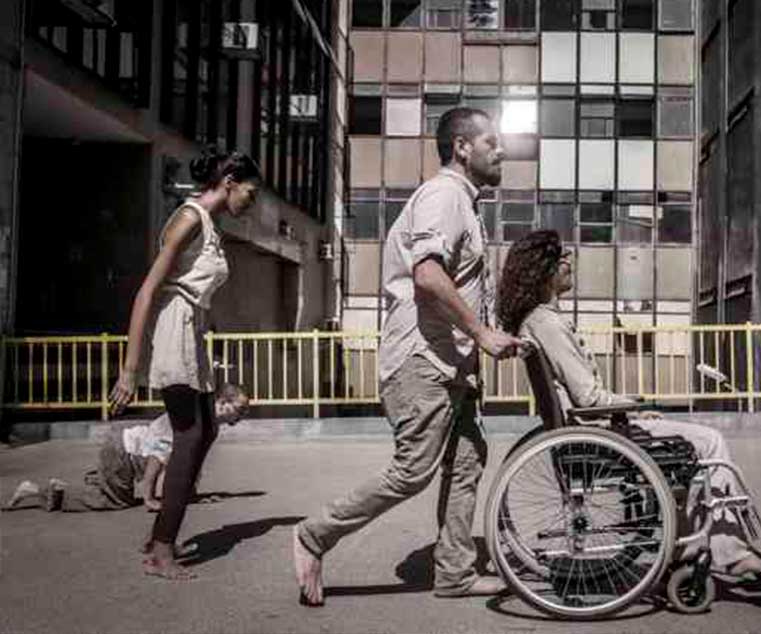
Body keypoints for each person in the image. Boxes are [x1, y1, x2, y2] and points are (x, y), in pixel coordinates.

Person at [292, 107, 524, 607]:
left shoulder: (463, 201)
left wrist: (483, 336)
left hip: (450, 362)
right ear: (462, 147)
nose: (501, 150)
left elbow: (456, 282)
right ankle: (315, 534)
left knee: (468, 461)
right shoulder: (444, 195)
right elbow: (427, 275)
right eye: (491, 141)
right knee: (413, 470)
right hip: (422, 359)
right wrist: (482, 332)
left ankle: (455, 571)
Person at [497, 230, 761, 580]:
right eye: (563, 257)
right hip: (595, 432)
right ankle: (732, 553)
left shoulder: (539, 321)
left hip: (588, 429)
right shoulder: (547, 323)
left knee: (693, 447)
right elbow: (589, 398)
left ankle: (698, 544)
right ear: (544, 270)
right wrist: (634, 405)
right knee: (709, 442)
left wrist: (631, 410)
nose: (570, 264)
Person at [107, 148, 260, 580]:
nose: (252, 201)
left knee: (205, 428)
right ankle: (160, 550)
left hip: (193, 328)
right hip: (175, 324)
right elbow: (147, 290)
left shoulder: (209, 224)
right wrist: (130, 367)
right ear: (229, 181)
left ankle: (161, 535)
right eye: (251, 191)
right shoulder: (190, 218)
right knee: (189, 434)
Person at [5, 384, 250, 513]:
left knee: (112, 487)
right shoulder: (193, 417)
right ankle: (41, 492)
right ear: (222, 402)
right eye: (239, 408)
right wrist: (149, 496)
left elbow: (191, 464)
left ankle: (93, 481)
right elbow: (157, 454)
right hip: (123, 452)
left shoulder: (210, 427)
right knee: (112, 502)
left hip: (124, 452)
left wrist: (195, 496)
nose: (242, 415)